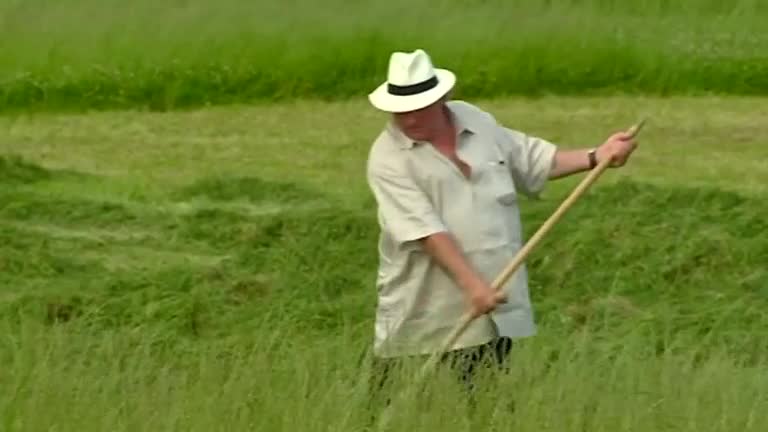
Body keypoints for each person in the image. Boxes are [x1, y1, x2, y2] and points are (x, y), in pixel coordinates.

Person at [364, 49, 638, 392]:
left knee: (487, 406)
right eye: (399, 111)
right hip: (423, 304)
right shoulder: (388, 159)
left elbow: (531, 160)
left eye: (417, 108)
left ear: (443, 99)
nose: (408, 119)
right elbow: (426, 231)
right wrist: (472, 286)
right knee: (388, 401)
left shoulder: (475, 120)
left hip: (493, 298)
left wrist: (597, 155)